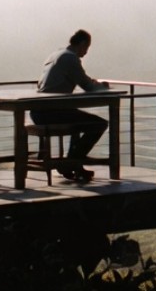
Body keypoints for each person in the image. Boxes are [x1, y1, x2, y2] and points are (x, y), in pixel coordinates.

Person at [34, 29, 111, 182]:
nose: (86, 53)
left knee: (78, 120)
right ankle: (71, 163)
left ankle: (74, 165)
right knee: (99, 124)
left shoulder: (56, 54)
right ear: (82, 44)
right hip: (51, 112)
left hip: (38, 110)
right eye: (86, 48)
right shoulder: (70, 58)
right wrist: (103, 87)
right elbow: (87, 85)